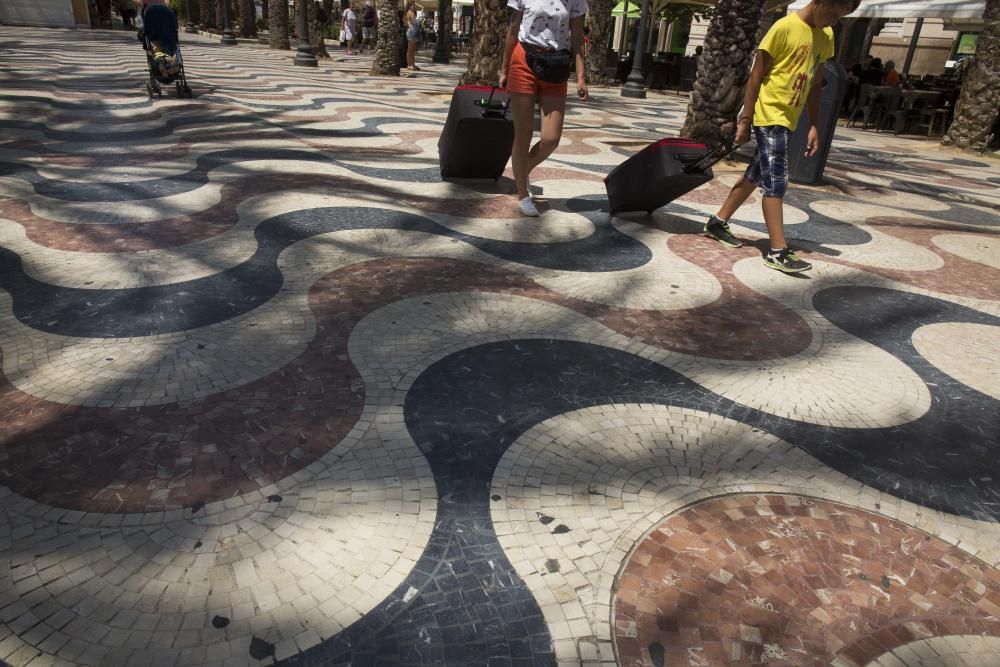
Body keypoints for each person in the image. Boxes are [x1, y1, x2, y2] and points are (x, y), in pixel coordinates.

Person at [703, 0, 860, 274]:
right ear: (819, 2)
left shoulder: (826, 36)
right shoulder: (783, 28)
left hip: (790, 118)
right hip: (770, 114)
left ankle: (718, 222)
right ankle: (777, 250)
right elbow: (756, 75)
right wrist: (745, 118)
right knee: (776, 180)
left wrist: (814, 125)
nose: (834, 21)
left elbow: (814, 82)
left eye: (841, 17)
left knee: (755, 174)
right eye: (833, 13)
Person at [499, 0, 588, 217]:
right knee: (524, 133)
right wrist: (504, 69)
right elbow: (513, 29)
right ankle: (523, 194)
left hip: (556, 65)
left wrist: (581, 76)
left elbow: (577, 37)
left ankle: (522, 170)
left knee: (551, 138)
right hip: (523, 60)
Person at [405, 1, 420, 72]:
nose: (413, 6)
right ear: (409, 6)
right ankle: (409, 65)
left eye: (414, 5)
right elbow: (410, 23)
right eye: (412, 5)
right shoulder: (409, 12)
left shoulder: (413, 13)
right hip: (411, 32)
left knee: (413, 50)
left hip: (414, 31)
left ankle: (413, 64)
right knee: (410, 50)